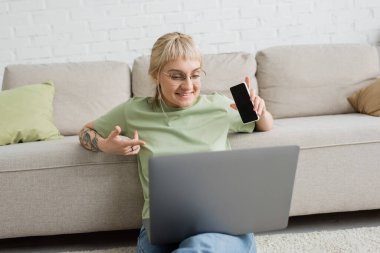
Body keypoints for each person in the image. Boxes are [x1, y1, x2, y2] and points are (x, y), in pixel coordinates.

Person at [79, 32, 273, 253]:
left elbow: (263, 125)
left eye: (195, 75)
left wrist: (260, 110)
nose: (188, 85)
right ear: (155, 75)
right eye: (176, 76)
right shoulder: (133, 110)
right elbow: (86, 131)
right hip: (163, 223)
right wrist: (104, 145)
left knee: (201, 246)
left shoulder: (220, 106)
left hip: (218, 219)